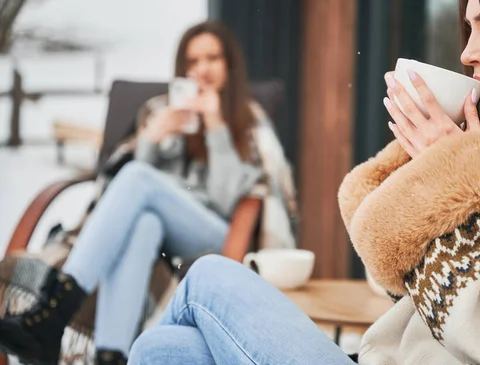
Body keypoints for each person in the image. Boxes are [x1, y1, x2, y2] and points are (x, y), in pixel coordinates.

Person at [127, 0, 480, 364]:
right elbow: (408, 286)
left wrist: (451, 170)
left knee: (209, 277)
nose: (467, 52)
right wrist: (429, 169)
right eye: (469, 26)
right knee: (165, 348)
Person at [0, 21, 296, 365]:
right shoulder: (161, 111)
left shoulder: (248, 121)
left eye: (212, 58)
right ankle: (112, 356)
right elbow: (120, 194)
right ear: (182, 68)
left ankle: (54, 312)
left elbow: (225, 199)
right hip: (161, 228)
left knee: (139, 179)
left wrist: (215, 126)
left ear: (229, 65)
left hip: (217, 236)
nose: (202, 69)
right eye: (193, 61)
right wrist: (152, 139)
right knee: (144, 223)